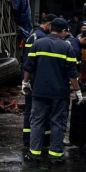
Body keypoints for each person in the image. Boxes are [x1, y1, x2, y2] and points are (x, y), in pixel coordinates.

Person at [22, 18, 81, 164]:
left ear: (51, 28)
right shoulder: (67, 47)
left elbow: (28, 66)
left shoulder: (38, 44)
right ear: (63, 32)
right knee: (57, 123)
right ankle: (55, 155)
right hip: (59, 93)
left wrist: (25, 83)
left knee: (37, 121)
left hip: (39, 91)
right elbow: (72, 73)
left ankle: (34, 153)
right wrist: (78, 90)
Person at [21, 14, 56, 147]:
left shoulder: (33, 36)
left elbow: (27, 62)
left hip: (30, 78)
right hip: (37, 80)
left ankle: (28, 139)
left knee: (29, 111)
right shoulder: (42, 39)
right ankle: (41, 141)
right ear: (49, 25)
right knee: (40, 113)